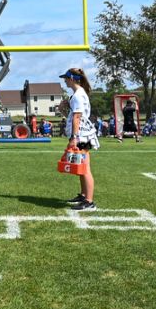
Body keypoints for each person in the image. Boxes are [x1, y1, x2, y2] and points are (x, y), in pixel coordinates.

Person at [61, 68, 99, 210]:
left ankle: (89, 201)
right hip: (83, 134)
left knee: (85, 168)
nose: (65, 80)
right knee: (81, 167)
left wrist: (74, 138)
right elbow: (74, 115)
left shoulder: (77, 95)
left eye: (66, 78)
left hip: (82, 135)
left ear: (72, 78)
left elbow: (77, 117)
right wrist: (63, 108)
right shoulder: (78, 94)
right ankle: (84, 196)